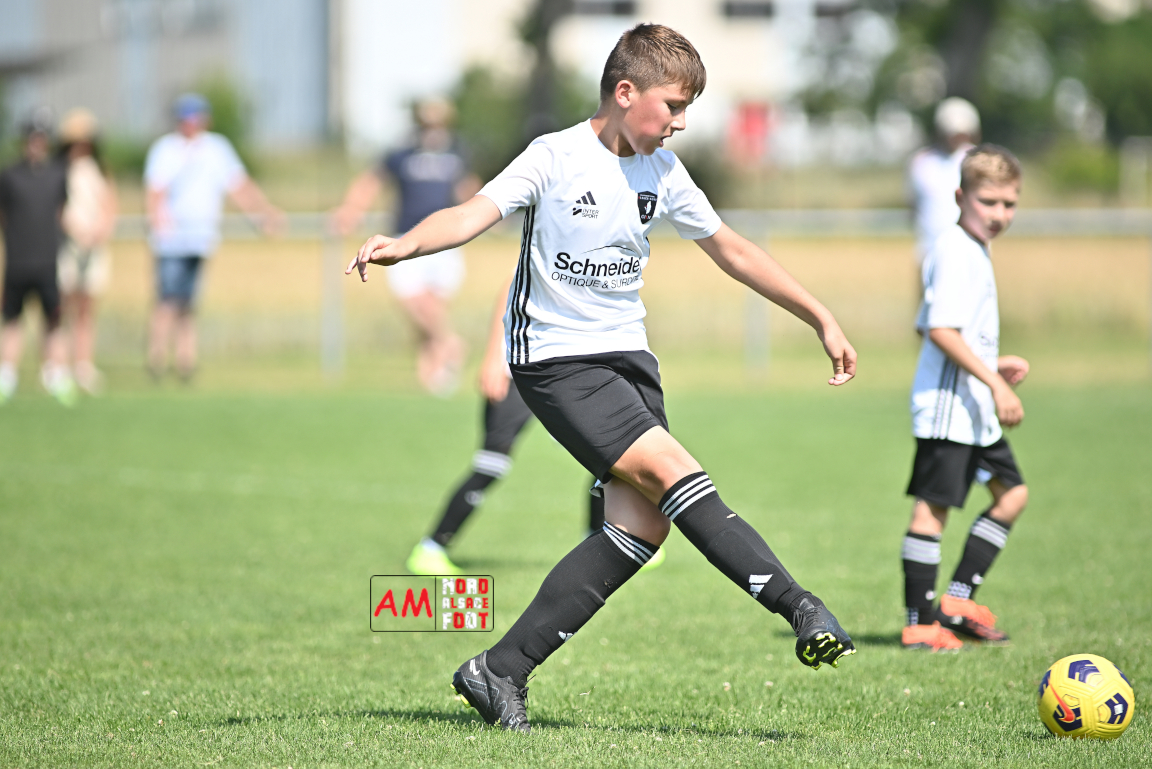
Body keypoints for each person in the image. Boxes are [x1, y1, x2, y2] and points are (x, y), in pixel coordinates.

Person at [349, 24, 857, 732]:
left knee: (642, 526)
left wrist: (818, 315)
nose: (681, 123)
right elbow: (472, 213)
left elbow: (733, 250)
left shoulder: (663, 172)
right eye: (673, 106)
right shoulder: (553, 156)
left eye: (687, 109)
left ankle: (500, 669)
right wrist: (406, 244)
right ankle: (800, 607)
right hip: (558, 360)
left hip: (629, 360)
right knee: (678, 475)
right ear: (625, 92)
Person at [405, 273, 666, 576]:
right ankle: (431, 549)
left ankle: (603, 541)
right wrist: (493, 359)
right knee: (491, 464)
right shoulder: (547, 250)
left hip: (562, 374)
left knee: (607, 455)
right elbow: (509, 287)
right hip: (516, 372)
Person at [899, 145, 1029, 652]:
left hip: (973, 408)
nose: (999, 214)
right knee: (932, 513)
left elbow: (930, 326)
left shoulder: (974, 248)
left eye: (1009, 204)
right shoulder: (954, 249)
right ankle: (919, 624)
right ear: (960, 197)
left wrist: (993, 366)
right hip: (949, 410)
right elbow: (939, 330)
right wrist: (994, 383)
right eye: (987, 201)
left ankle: (955, 603)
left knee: (1012, 494)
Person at [331, 99, 480, 395]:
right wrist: (351, 210)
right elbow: (370, 181)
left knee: (433, 306)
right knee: (415, 303)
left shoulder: (456, 153)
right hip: (404, 238)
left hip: (444, 241)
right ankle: (450, 344)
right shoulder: (402, 154)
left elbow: (470, 189)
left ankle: (432, 374)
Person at [144, 93, 282, 381]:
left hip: (200, 239)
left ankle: (185, 362)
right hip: (171, 241)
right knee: (167, 301)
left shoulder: (216, 148)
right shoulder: (166, 149)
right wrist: (157, 222)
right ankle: (156, 360)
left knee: (188, 303)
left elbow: (239, 186)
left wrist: (263, 214)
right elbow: (155, 191)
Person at [0, 111, 75, 406]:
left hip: (48, 262)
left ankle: (55, 375)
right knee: (12, 320)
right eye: (32, 138)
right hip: (18, 262)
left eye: (41, 138)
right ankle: (7, 377)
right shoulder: (9, 176)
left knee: (53, 320)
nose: (36, 143)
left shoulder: (58, 174)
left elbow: (61, 213)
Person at [57, 108, 118, 395]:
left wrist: (99, 230)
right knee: (63, 308)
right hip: (68, 246)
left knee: (86, 310)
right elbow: (57, 207)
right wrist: (75, 230)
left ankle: (84, 365)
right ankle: (59, 365)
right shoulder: (61, 169)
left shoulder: (99, 169)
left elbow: (109, 204)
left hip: (94, 246)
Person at [907, 98, 981, 265]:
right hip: (930, 250)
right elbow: (913, 205)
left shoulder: (976, 160)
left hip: (969, 251)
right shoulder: (921, 162)